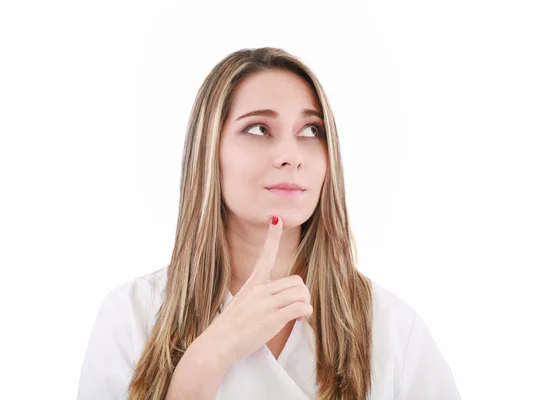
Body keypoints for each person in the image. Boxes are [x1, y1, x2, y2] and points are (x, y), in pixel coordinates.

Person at [77, 47, 461, 400]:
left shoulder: (393, 330)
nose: (291, 156)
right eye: (259, 129)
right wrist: (203, 364)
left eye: (311, 130)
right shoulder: (130, 318)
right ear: (209, 152)